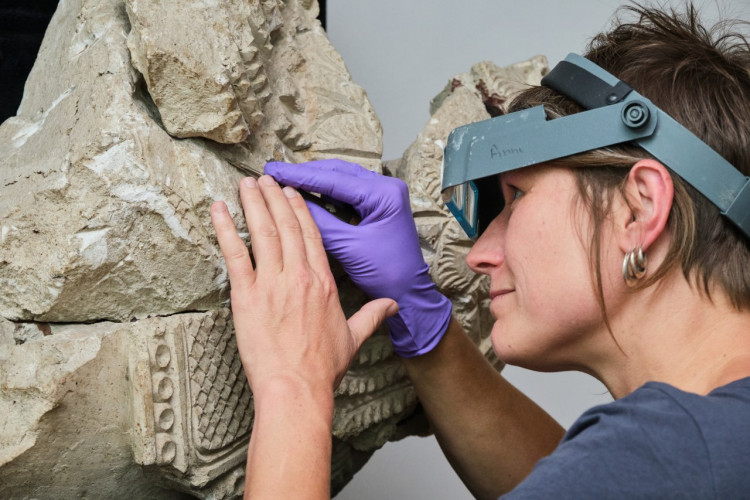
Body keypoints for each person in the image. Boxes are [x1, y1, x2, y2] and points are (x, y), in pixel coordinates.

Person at [210, 3, 750, 498]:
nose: (478, 255)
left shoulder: (668, 454)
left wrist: (294, 390)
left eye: (515, 198)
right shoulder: (709, 445)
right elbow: (564, 479)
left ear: (639, 209)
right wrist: (422, 321)